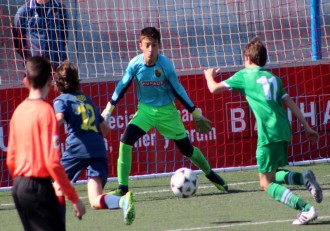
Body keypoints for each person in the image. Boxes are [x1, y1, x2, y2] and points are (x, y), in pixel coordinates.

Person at [204, 37, 322, 225]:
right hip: (284, 129)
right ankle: (303, 177)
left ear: (248, 59)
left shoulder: (245, 75)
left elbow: (213, 89)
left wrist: (209, 75)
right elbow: (290, 102)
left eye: (244, 59)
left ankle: (306, 209)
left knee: (265, 183)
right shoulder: (274, 78)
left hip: (268, 132)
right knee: (273, 174)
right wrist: (307, 126)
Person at [101, 26, 228, 196]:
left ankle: (210, 173)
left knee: (187, 150)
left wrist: (196, 114)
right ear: (140, 45)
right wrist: (108, 111)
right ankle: (123, 188)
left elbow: (179, 90)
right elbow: (121, 87)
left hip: (167, 112)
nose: (151, 50)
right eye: (147, 45)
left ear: (159, 46)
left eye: (154, 45)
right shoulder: (135, 64)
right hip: (145, 111)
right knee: (125, 141)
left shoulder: (166, 65)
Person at [6, 56, 85, 231]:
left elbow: (11, 158)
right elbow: (52, 162)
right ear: (50, 82)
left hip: (18, 187)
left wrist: (21, 182)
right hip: (38, 187)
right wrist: (74, 198)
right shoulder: (46, 112)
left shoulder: (18, 112)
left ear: (26, 81)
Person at [53, 61, 135, 225]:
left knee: (55, 186)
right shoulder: (87, 100)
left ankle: (52, 225)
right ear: (77, 81)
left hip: (77, 148)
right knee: (95, 200)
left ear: (58, 83)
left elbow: (59, 119)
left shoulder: (60, 100)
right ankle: (122, 202)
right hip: (98, 149)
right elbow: (104, 129)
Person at [12, 0, 68, 69]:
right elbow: (17, 41)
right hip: (35, 65)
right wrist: (29, 59)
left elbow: (64, 35)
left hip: (57, 62)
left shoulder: (60, 8)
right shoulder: (23, 12)